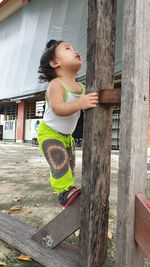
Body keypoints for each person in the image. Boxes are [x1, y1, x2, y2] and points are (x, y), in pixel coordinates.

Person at [37, 39, 98, 208]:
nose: (74, 50)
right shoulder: (56, 85)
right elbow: (57, 108)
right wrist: (80, 104)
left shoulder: (81, 86)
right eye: (67, 48)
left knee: (69, 167)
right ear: (55, 63)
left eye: (74, 47)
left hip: (67, 136)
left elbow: (90, 102)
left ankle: (67, 195)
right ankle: (64, 193)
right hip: (49, 133)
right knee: (59, 162)